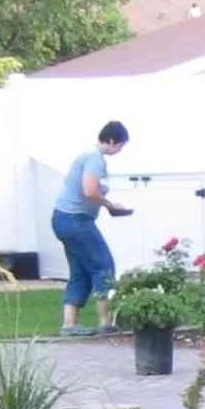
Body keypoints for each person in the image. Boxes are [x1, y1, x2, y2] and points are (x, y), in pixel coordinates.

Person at [53, 121, 133, 335]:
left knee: (80, 270)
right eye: (120, 145)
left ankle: (69, 325)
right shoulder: (94, 159)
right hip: (76, 220)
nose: (120, 150)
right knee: (102, 266)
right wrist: (110, 205)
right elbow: (89, 191)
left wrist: (107, 207)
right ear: (111, 140)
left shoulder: (86, 156)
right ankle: (105, 322)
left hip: (62, 219)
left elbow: (85, 192)